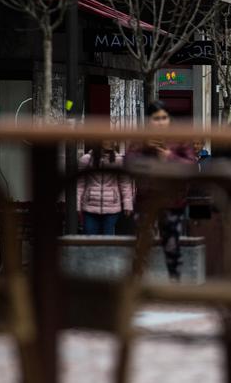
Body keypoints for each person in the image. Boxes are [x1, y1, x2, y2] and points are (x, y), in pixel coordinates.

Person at [129, 100, 199, 279]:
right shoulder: (141, 138)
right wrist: (147, 148)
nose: (160, 122)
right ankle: (139, 283)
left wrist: (169, 156)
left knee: (172, 246)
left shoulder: (180, 137)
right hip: (146, 199)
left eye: (164, 118)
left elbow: (191, 166)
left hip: (172, 200)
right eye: (156, 118)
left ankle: (174, 282)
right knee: (142, 245)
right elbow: (129, 163)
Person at [76, 140, 133, 235]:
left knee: (108, 239)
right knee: (90, 238)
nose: (110, 142)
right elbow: (80, 184)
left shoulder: (118, 160)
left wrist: (127, 204)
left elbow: (125, 183)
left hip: (112, 206)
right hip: (90, 206)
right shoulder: (86, 159)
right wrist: (77, 205)